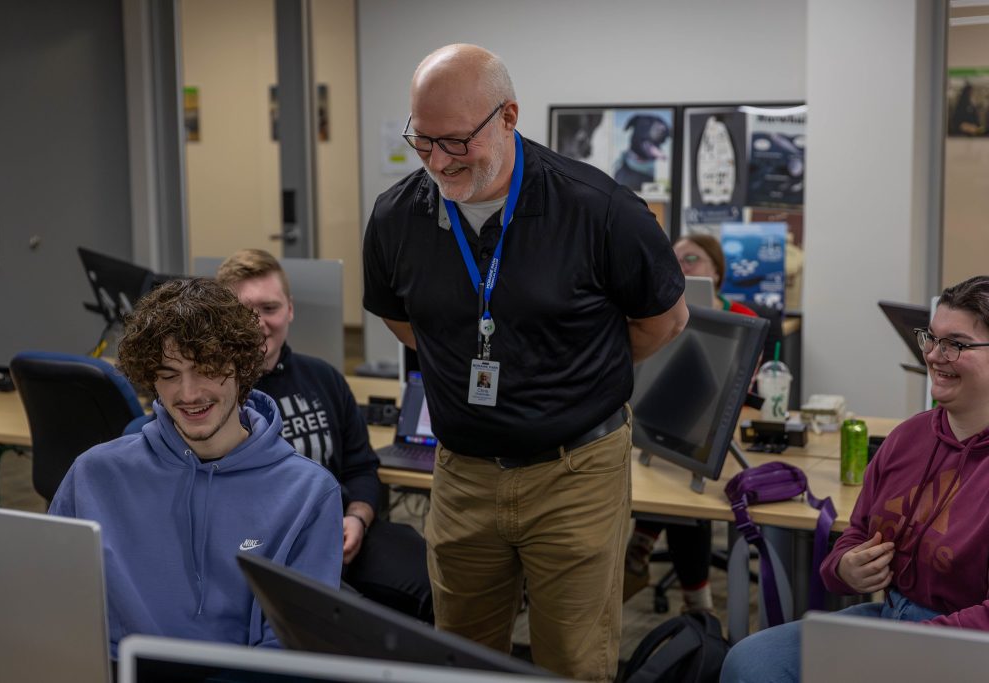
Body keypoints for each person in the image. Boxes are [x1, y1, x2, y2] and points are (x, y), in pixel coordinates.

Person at [362, 43, 688, 681]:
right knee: (460, 654)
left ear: (508, 116)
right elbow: (404, 320)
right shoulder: (396, 216)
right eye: (422, 141)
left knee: (572, 659)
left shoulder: (600, 208)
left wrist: (572, 373)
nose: (438, 161)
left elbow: (665, 320)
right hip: (461, 472)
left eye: (456, 142)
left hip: (575, 472)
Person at [50, 277, 344, 655]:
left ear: (241, 367)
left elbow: (290, 652)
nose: (188, 394)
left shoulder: (308, 494)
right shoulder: (92, 476)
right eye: (169, 375)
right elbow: (53, 608)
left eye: (206, 369)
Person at [721, 275, 989, 682]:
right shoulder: (908, 437)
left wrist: (904, 649)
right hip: (891, 616)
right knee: (751, 662)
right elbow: (857, 533)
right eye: (930, 338)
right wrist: (845, 567)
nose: (933, 356)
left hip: (967, 646)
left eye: (955, 344)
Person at [216, 248, 433, 622]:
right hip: (270, 551)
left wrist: (358, 518)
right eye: (243, 312)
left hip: (344, 534)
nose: (258, 323)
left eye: (270, 308)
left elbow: (361, 466)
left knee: (438, 581)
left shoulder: (324, 378)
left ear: (290, 310)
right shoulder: (214, 395)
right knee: (356, 624)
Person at [625, 233, 758, 611]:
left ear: (716, 271)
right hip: (667, 426)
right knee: (675, 482)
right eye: (675, 259)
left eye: (692, 260)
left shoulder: (742, 319)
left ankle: (647, 539)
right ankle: (696, 603)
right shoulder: (662, 313)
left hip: (723, 429)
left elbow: (741, 387)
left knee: (685, 492)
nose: (682, 267)